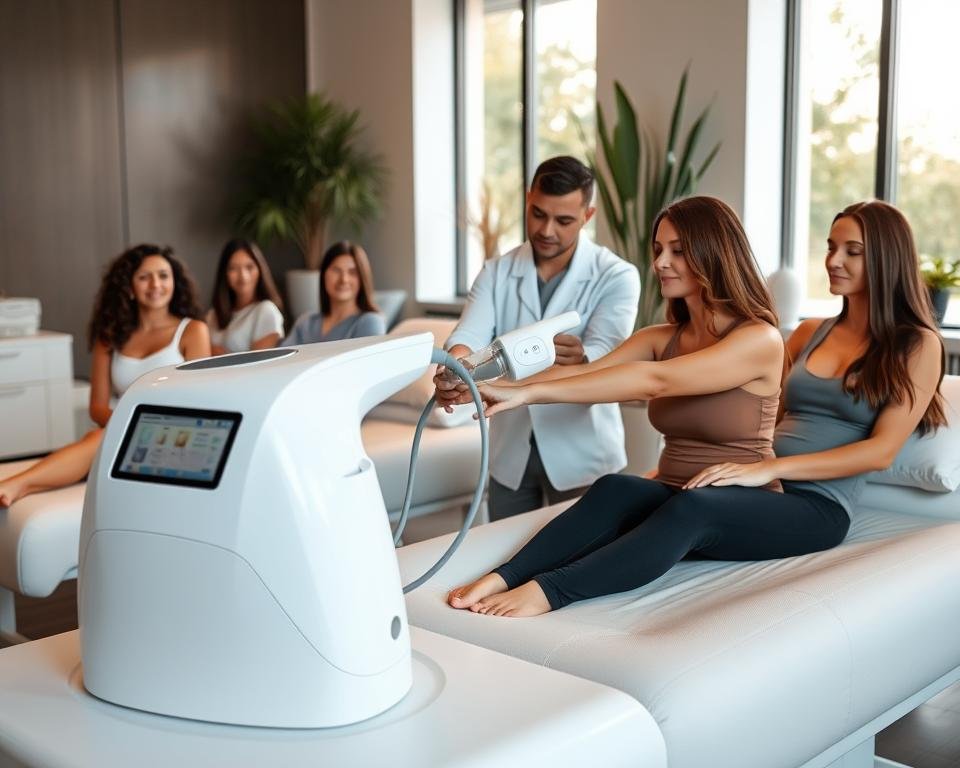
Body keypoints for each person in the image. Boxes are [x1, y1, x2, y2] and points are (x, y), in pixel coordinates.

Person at [448, 198, 945, 618]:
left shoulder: (916, 345)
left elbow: (880, 452)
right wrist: (493, 384)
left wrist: (767, 469)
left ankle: (547, 593)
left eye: (852, 251)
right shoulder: (810, 332)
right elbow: (757, 413)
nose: (833, 260)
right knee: (617, 487)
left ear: (885, 258)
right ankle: (503, 576)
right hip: (753, 483)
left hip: (815, 505)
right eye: (832, 247)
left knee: (693, 507)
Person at [434, 155, 640, 520]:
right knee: (506, 560)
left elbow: (611, 354)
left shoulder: (616, 275)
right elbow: (469, 333)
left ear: (587, 216)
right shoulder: (497, 272)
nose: (547, 230)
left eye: (564, 221)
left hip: (583, 453)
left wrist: (585, 358)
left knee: (579, 561)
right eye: (538, 214)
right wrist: (456, 369)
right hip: (510, 454)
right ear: (528, 199)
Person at [0, 245, 210, 507]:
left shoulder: (193, 331)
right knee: (97, 438)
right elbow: (97, 407)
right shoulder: (110, 336)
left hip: (175, 432)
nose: (156, 284)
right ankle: (17, 485)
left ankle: (16, 485)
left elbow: (203, 400)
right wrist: (128, 422)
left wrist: (145, 424)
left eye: (164, 275)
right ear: (129, 287)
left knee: (96, 439)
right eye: (144, 277)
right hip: (122, 427)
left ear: (175, 282)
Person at [281, 241, 386, 345]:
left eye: (352, 272)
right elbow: (281, 360)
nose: (344, 279)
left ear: (362, 279)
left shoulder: (370, 322)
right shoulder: (306, 322)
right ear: (323, 275)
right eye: (336, 270)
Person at [207, 238, 285, 354]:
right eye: (233, 268)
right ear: (224, 273)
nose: (243, 276)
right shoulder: (213, 315)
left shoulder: (266, 310)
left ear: (260, 269)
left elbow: (258, 364)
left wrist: (215, 352)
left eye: (249, 267)